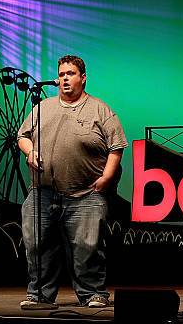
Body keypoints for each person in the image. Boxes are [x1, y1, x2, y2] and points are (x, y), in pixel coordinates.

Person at [17, 55, 128, 309]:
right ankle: (39, 295)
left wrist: (107, 177)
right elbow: (23, 136)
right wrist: (30, 151)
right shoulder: (43, 107)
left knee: (87, 247)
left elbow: (117, 146)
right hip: (42, 192)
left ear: (83, 78)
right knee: (37, 244)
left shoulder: (100, 109)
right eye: (62, 74)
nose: (65, 78)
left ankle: (93, 293)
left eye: (71, 74)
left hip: (86, 192)